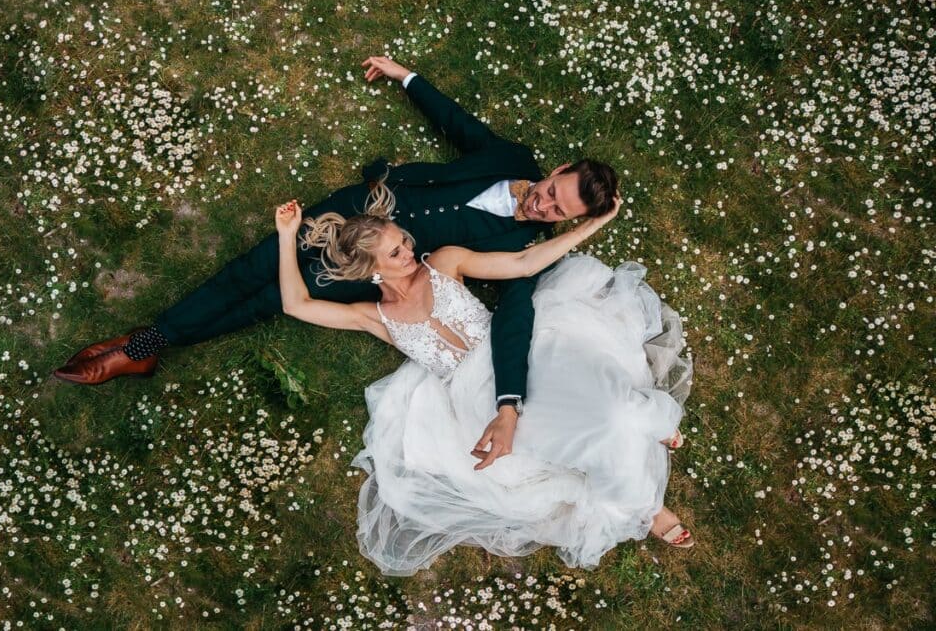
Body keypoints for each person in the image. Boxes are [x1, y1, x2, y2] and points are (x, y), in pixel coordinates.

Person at [54, 56, 619, 462]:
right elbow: (460, 125)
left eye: (556, 213)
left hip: (371, 268)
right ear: (555, 171)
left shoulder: (525, 249)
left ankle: (143, 348)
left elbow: (515, 321)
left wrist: (509, 402)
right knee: (249, 267)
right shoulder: (511, 157)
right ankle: (148, 342)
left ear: (566, 222)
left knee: (270, 298)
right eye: (550, 190)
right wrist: (407, 78)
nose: (542, 205)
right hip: (361, 211)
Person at [271, 180, 694, 575]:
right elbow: (297, 305)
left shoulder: (444, 262)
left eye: (403, 239)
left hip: (518, 349)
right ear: (371, 271)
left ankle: (644, 420)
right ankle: (646, 506)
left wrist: (593, 223)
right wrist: (288, 235)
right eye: (396, 253)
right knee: (577, 434)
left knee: (599, 392)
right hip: (476, 394)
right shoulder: (375, 317)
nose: (408, 250)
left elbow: (524, 261)